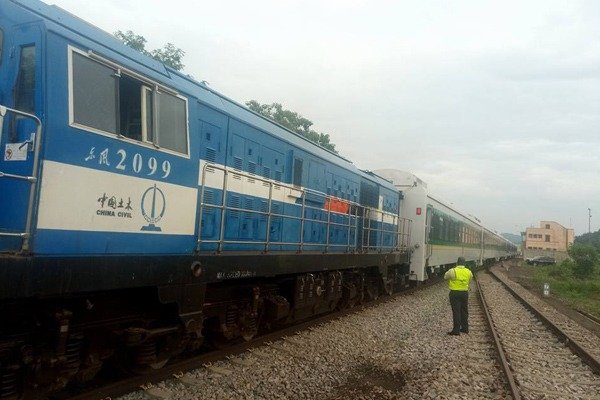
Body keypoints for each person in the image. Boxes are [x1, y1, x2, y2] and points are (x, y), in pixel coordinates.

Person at [444, 257, 473, 335]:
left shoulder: (452, 271)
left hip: (455, 293)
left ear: (457, 263)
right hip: (464, 293)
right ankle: (465, 328)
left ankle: (456, 330)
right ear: (464, 263)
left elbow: (445, 277)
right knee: (464, 311)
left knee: (456, 311)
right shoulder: (469, 272)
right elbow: (470, 279)